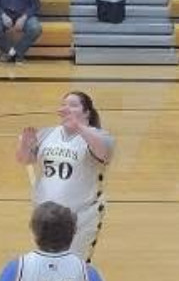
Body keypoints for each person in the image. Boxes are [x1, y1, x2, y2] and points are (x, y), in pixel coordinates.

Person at [16, 92, 114, 263]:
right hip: (47, 216)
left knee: (75, 265)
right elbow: (25, 160)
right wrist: (25, 145)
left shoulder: (99, 136)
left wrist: (79, 127)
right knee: (48, 263)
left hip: (81, 216)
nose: (66, 108)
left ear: (87, 112)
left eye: (73, 105)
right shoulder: (48, 134)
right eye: (64, 105)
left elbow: (103, 153)